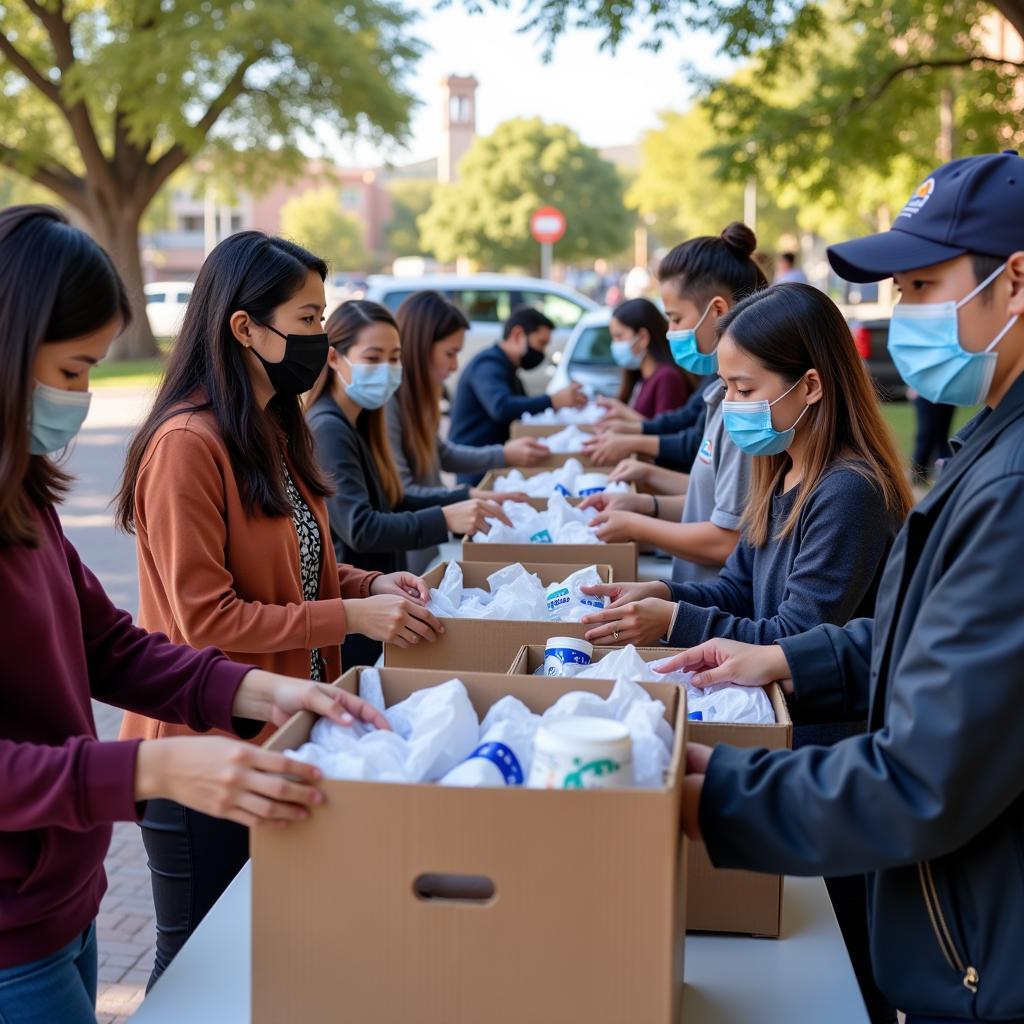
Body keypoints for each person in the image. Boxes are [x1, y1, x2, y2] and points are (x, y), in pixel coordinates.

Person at [0, 205, 386, 1024]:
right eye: (71, 372)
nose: (84, 397)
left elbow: (112, 647)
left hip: (62, 899)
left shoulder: (23, 503)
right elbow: (206, 615)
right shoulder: (187, 441)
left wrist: (263, 694)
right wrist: (150, 770)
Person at [662, 151, 1024, 1024]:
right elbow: (918, 637)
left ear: (1014, 284)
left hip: (983, 953)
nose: (904, 316)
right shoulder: (987, 447)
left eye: (923, 286)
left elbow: (928, 772)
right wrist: (778, 657)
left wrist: (703, 792)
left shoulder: (1007, 483)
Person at [115, 232, 441, 986]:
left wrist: (365, 587)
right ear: (243, 327)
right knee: (197, 972)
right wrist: (350, 620)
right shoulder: (186, 444)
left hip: (285, 733)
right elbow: (210, 622)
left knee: (268, 959)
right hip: (203, 748)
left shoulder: (274, 426)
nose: (320, 341)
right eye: (306, 320)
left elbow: (299, 561)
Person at [306, 299, 513, 663]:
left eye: (394, 358)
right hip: (356, 608)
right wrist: (445, 519)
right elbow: (361, 527)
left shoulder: (362, 422)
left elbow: (393, 499)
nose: (386, 370)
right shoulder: (328, 428)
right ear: (334, 358)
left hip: (378, 594)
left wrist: (461, 500)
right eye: (372, 358)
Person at [581, 223, 766, 584]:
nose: (670, 333)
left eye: (675, 318)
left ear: (716, 311)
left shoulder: (750, 414)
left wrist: (640, 524)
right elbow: (709, 502)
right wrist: (644, 504)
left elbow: (727, 538)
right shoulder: (720, 396)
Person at [386, 290, 549, 574]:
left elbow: (441, 453)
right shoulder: (390, 402)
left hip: (425, 539)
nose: (454, 365)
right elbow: (403, 490)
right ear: (421, 346)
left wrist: (503, 455)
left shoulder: (419, 397)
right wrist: (468, 496)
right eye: (450, 353)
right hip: (407, 544)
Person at [448, 306, 587, 484]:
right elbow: (501, 407)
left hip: (493, 461)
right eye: (541, 343)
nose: (542, 352)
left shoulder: (508, 368)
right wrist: (553, 401)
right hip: (476, 467)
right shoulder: (488, 364)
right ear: (517, 335)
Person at [608, 297, 694, 419]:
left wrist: (623, 413)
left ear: (643, 337)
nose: (614, 344)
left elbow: (665, 433)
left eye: (619, 336)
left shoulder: (667, 377)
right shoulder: (640, 376)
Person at [910, 391, 956, 484]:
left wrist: (914, 388)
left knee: (930, 437)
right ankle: (944, 475)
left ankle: (920, 476)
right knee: (935, 437)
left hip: (934, 393)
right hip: (942, 394)